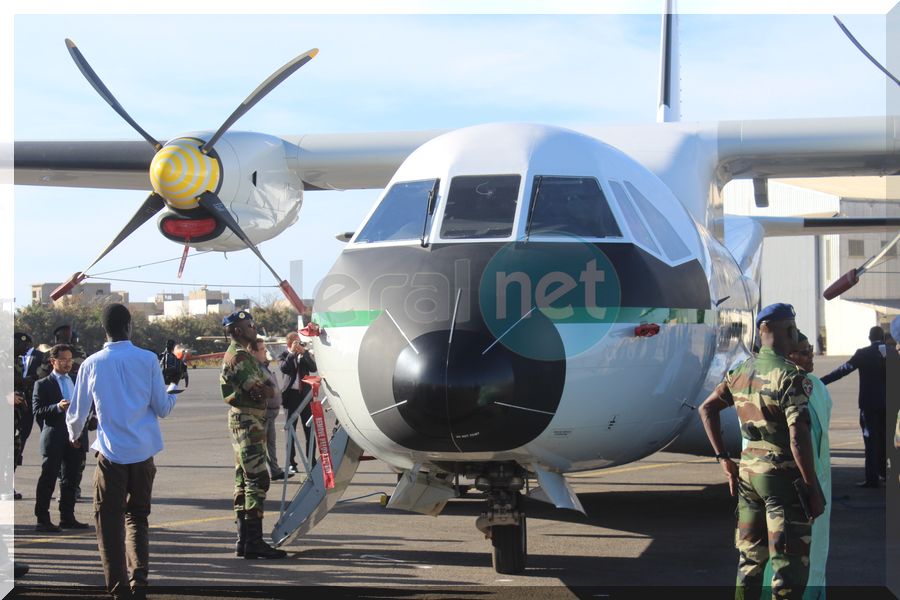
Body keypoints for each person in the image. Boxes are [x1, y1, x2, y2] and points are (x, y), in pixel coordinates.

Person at [699, 303, 824, 599]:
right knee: (787, 567)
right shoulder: (790, 377)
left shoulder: (741, 371)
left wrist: (723, 459)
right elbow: (797, 437)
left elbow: (707, 409)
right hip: (783, 481)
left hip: (748, 478)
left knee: (750, 562)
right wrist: (811, 486)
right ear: (788, 331)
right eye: (792, 328)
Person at [67, 303, 178, 600]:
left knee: (108, 523)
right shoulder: (148, 359)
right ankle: (139, 580)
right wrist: (173, 391)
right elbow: (162, 408)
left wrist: (74, 435)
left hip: (110, 456)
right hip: (143, 454)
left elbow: (78, 411)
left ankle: (118, 589)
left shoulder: (92, 363)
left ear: (104, 329)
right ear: (129, 326)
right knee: (138, 518)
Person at [754, 332, 832, 600]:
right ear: (787, 355)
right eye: (803, 351)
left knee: (815, 556)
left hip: (816, 486)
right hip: (790, 490)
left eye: (811, 349)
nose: (810, 355)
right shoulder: (775, 387)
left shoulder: (817, 387)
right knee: (783, 562)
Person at [220, 310, 286, 560]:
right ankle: (253, 541)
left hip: (248, 420)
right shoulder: (239, 357)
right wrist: (268, 388)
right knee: (256, 480)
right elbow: (261, 390)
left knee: (244, 480)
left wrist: (267, 389)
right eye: (249, 325)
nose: (253, 328)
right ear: (237, 331)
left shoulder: (243, 355)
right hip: (249, 422)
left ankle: (245, 541)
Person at [32, 344, 90, 532]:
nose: (68, 363)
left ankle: (67, 517)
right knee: (48, 479)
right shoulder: (42, 384)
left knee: (71, 480)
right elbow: (38, 411)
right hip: (54, 438)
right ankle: (42, 518)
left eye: (70, 359)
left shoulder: (77, 380)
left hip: (76, 438)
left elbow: (87, 405)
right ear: (53, 361)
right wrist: (57, 407)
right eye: (63, 359)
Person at [820, 325, 887, 488]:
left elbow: (843, 370)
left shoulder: (863, 353)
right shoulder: (892, 353)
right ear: (883, 338)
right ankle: (884, 474)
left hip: (869, 404)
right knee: (885, 439)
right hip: (889, 404)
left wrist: (820, 382)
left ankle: (872, 479)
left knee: (870, 440)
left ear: (870, 338)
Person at [248, 338, 291, 482]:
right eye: (262, 350)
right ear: (252, 352)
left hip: (271, 412)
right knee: (261, 444)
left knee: (271, 442)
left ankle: (274, 470)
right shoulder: (254, 368)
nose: (265, 351)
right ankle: (260, 473)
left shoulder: (263, 366)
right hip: (264, 412)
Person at [279, 331, 317, 473]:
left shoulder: (303, 354)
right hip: (292, 396)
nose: (299, 344)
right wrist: (292, 353)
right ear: (289, 343)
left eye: (299, 341)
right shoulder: (284, 356)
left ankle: (311, 461)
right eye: (296, 342)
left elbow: (313, 368)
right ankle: (291, 463)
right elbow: (285, 368)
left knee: (309, 430)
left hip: (305, 395)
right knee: (290, 430)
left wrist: (304, 353)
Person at [14, 332, 43, 488]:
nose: (26, 349)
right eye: (23, 345)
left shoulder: (17, 360)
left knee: (16, 448)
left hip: (20, 410)